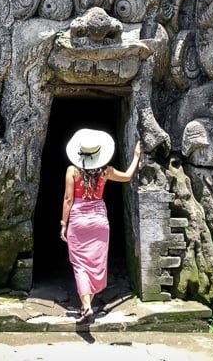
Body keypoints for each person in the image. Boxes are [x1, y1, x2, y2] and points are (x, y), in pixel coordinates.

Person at [59, 128, 143, 322]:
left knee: (79, 264)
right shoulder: (106, 171)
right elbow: (128, 176)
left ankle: (86, 305)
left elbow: (68, 199)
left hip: (78, 220)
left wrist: (64, 223)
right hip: (99, 220)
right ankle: (86, 304)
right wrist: (136, 156)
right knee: (95, 263)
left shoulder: (72, 170)